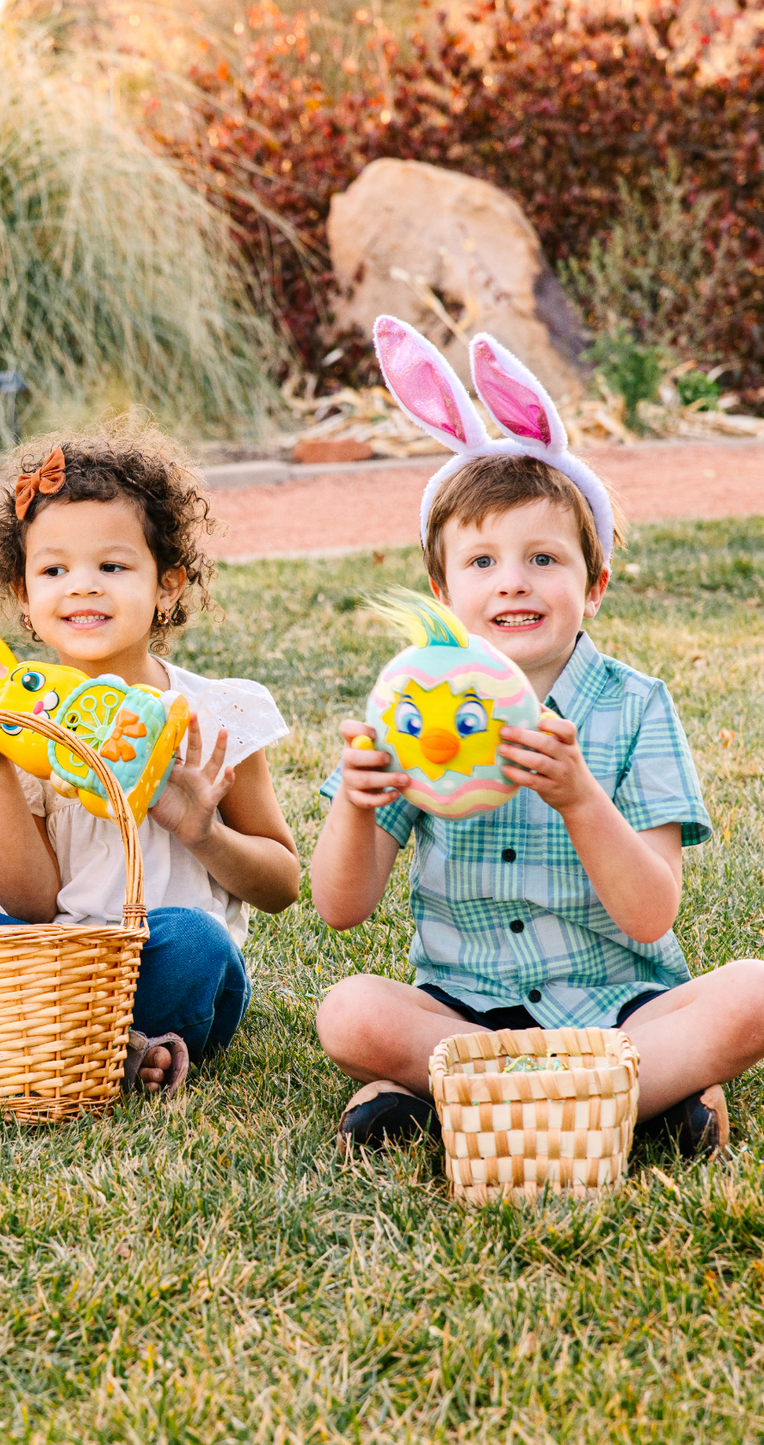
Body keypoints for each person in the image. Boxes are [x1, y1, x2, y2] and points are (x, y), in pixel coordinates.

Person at [311, 315, 764, 1157]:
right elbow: (342, 909)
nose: (511, 581)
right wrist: (357, 805)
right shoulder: (412, 708)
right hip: (464, 1005)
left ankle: (461, 1096)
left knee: (754, 995)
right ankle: (630, 1094)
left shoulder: (635, 706)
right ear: (442, 591)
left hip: (621, 1000)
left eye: (542, 559)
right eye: (480, 563)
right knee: (349, 1012)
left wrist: (578, 796)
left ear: (592, 586)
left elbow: (649, 912)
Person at [0, 421, 300, 1093]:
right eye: (54, 569)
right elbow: (31, 905)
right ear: (24, 597)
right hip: (60, 958)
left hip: (164, 962)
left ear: (167, 585)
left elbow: (281, 884)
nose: (82, 587)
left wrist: (200, 831)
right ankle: (82, 1040)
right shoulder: (26, 724)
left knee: (195, 942)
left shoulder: (214, 714)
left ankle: (5, 1031)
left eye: (112, 567)